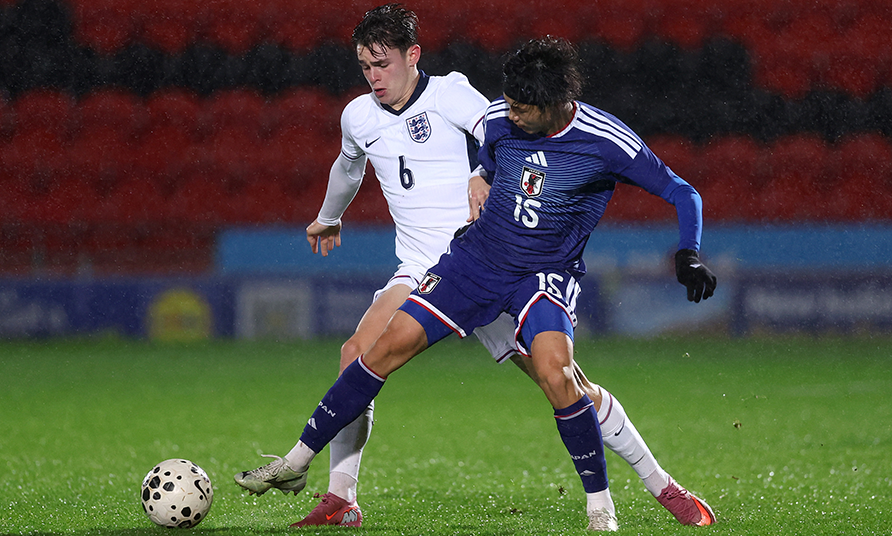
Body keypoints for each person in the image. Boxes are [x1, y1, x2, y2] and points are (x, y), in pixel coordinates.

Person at [234, 7, 716, 531]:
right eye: (364, 64)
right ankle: (337, 495)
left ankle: (658, 482)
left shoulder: (457, 96)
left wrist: (479, 176)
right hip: (442, 263)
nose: (373, 75)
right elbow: (360, 165)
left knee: (563, 383)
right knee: (361, 352)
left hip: (511, 263)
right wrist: (331, 216)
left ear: (411, 56)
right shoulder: (366, 116)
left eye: (382, 63)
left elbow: (501, 133)